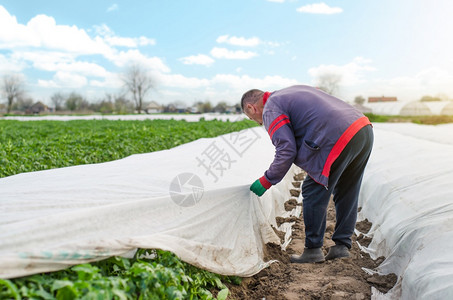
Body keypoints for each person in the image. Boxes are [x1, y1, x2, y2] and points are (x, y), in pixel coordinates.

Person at [241, 85, 374, 263]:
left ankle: (313, 250)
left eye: (253, 118)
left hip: (337, 134)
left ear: (251, 107)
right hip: (362, 129)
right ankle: (341, 246)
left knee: (312, 189)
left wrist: (267, 180)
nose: (259, 122)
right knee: (347, 189)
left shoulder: (271, 107)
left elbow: (286, 149)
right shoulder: (289, 92)